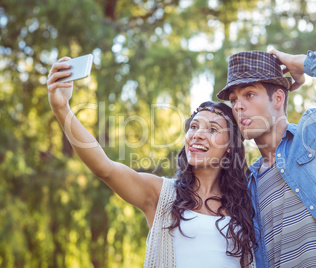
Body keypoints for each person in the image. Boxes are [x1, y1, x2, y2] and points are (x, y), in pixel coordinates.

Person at [47, 58, 257, 267]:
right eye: (194, 127)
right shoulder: (162, 195)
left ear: (230, 145)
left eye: (212, 129)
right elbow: (104, 168)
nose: (198, 135)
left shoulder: (247, 201)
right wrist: (62, 108)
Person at [216, 49, 316, 267]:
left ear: (278, 98)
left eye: (249, 94)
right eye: (234, 99)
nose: (238, 106)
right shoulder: (246, 185)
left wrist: (299, 63)